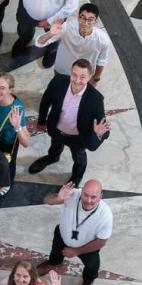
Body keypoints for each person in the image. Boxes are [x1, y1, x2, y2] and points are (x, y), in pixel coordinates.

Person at [31, 58, 112, 191]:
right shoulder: (58, 82)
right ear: (70, 72)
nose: (77, 80)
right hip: (56, 129)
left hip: (78, 138)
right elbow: (46, 100)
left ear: (89, 77)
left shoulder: (96, 99)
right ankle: (52, 157)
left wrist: (96, 133)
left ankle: (76, 177)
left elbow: (104, 131)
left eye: (82, 77)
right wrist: (41, 121)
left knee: (79, 158)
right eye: (74, 75)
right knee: (55, 145)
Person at [41, 179, 113, 285]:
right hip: (62, 235)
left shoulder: (105, 215)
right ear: (81, 191)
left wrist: (76, 251)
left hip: (87, 245)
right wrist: (58, 198)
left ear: (101, 196)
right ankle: (53, 263)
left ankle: (87, 283)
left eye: (93, 197)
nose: (88, 200)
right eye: (86, 195)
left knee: (93, 265)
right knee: (55, 251)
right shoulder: (73, 194)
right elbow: (47, 200)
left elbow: (101, 242)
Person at [32, 2, 113, 86]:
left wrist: (96, 78)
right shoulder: (67, 27)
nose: (85, 23)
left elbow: (101, 61)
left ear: (96, 21)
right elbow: (39, 42)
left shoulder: (103, 40)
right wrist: (50, 33)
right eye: (83, 18)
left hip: (83, 76)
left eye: (90, 20)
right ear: (78, 17)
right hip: (62, 70)